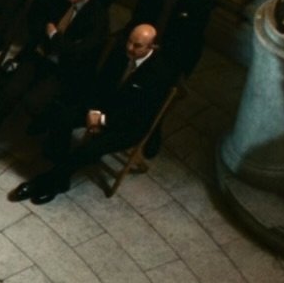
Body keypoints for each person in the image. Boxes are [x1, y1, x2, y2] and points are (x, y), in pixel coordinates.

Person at [10, 20, 181, 204]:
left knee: (88, 150)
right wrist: (94, 111)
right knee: (63, 115)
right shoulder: (120, 52)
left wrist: (102, 120)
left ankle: (49, 182)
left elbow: (138, 114)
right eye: (129, 41)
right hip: (104, 107)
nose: (130, 48)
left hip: (126, 126)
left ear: (152, 47)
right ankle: (60, 162)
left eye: (137, 45)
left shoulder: (159, 75)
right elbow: (100, 84)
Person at [0, 0, 108, 169]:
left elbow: (77, 53)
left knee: (35, 102)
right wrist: (51, 40)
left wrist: (54, 36)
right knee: (7, 92)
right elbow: (36, 23)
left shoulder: (98, 17)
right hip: (39, 56)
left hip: (62, 71)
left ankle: (41, 127)